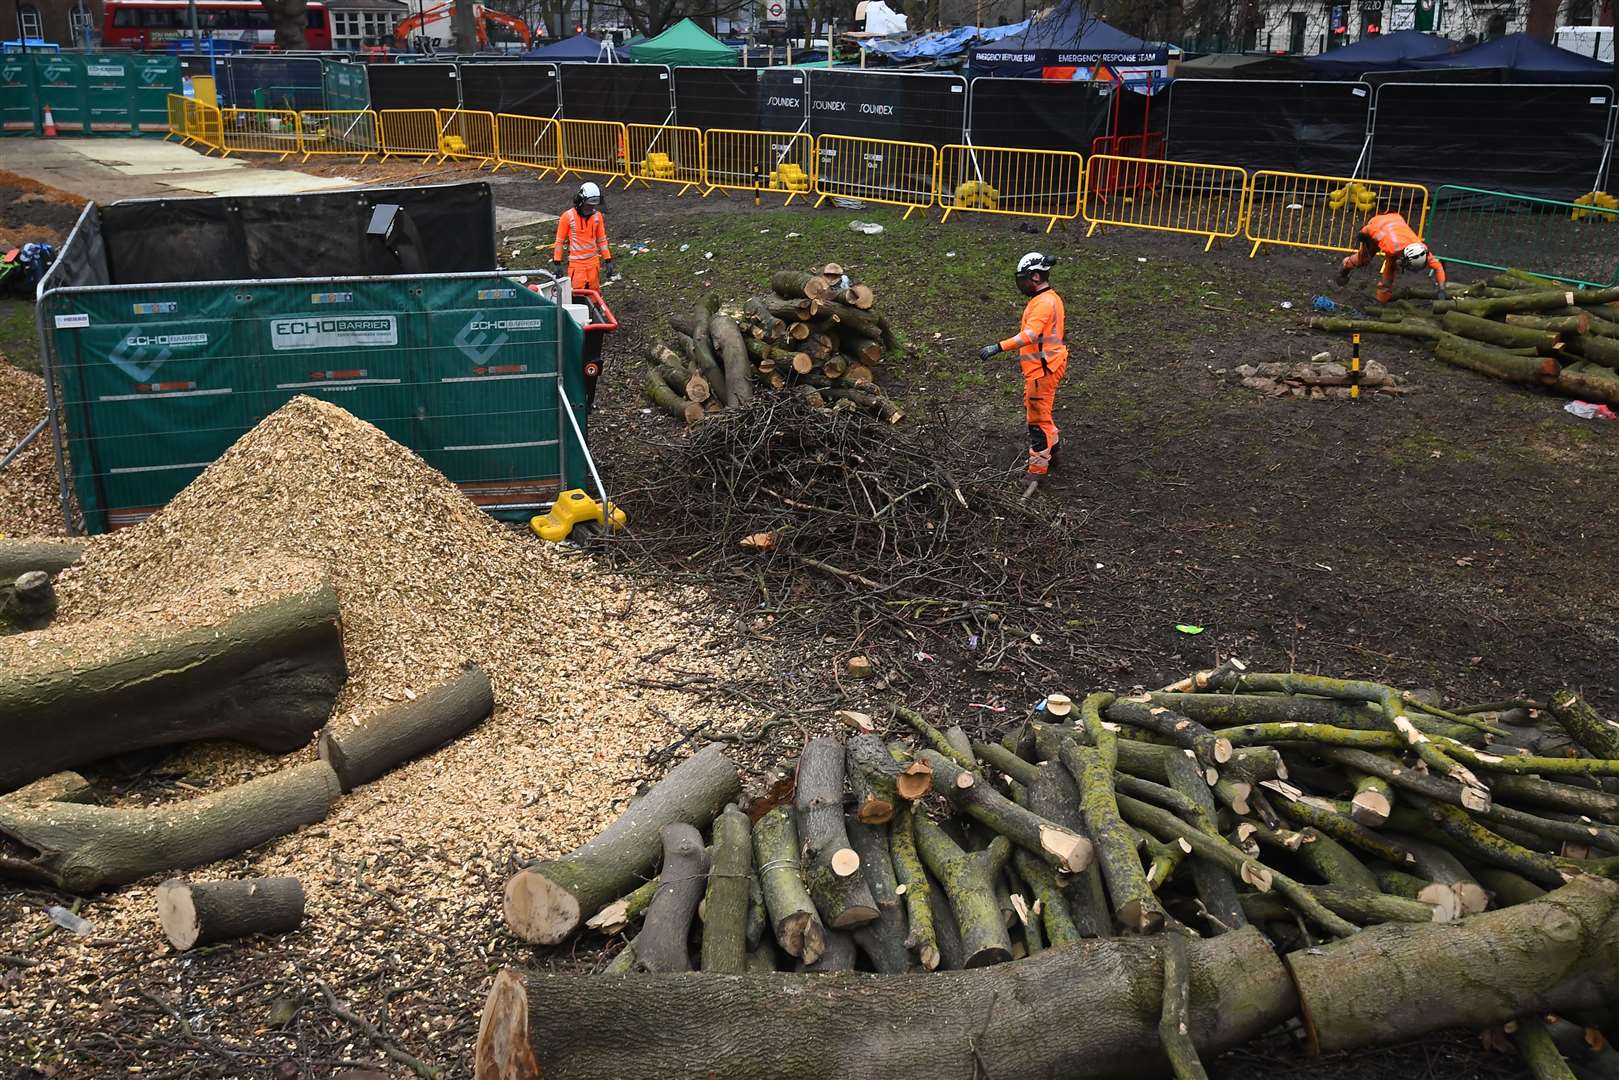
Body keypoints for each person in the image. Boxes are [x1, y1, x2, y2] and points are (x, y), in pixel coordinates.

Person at [977, 252, 1067, 490]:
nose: (1021, 285)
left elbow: (1029, 335)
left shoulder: (1043, 304)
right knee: (1041, 411)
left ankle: (1036, 472)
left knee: (1037, 420)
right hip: (1048, 364)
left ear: (1035, 277)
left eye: (1023, 279)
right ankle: (1054, 452)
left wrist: (997, 347)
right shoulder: (1049, 298)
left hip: (1042, 369)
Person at [1338, 212, 1447, 303]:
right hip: (1378, 224)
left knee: (1391, 266)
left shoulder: (1422, 252)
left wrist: (1441, 288)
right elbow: (1371, 229)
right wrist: (1362, 233)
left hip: (1395, 222)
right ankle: (1346, 265)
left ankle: (1382, 297)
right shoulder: (1389, 245)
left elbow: (1438, 267)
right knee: (1364, 260)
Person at [551, 182, 616, 291]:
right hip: (577, 266)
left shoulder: (597, 217)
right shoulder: (567, 217)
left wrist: (608, 260)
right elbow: (559, 242)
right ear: (581, 200)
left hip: (593, 264)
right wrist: (557, 262)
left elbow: (602, 240)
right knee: (577, 296)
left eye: (593, 205)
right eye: (589, 205)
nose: (591, 208)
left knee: (594, 296)